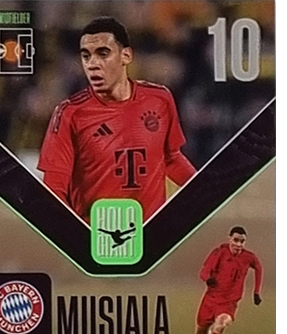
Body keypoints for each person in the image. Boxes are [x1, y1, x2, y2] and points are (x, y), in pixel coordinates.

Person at [37, 17, 196, 223]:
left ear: (126, 55)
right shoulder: (70, 113)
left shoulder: (160, 99)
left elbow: (171, 158)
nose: (93, 64)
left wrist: (203, 192)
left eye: (103, 54)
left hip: (152, 232)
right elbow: (55, 185)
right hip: (96, 234)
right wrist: (73, 234)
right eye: (86, 56)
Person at [192, 226, 263, 334]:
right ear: (230, 239)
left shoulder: (248, 257)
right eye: (236, 240)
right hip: (211, 300)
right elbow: (204, 271)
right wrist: (208, 279)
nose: (239, 244)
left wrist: (256, 292)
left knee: (221, 323)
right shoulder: (219, 253)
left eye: (242, 241)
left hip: (229, 303)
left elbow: (258, 267)